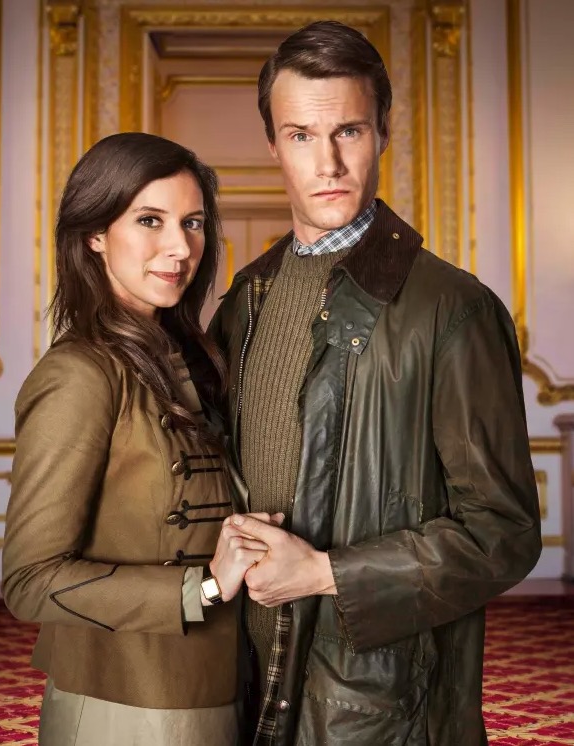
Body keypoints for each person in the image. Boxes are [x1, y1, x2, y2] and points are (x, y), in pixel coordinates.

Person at [209, 21, 542, 746]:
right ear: (273, 145)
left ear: (383, 131)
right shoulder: (245, 300)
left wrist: (326, 572)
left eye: (349, 131)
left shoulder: (453, 308)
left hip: (373, 706)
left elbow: (503, 533)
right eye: (301, 135)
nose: (327, 161)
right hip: (242, 682)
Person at [2, 132, 270, 746]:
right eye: (150, 220)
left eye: (193, 222)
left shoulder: (192, 357)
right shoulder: (79, 374)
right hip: (124, 699)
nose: (180, 247)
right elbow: (29, 580)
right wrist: (205, 585)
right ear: (94, 234)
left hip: (221, 680)